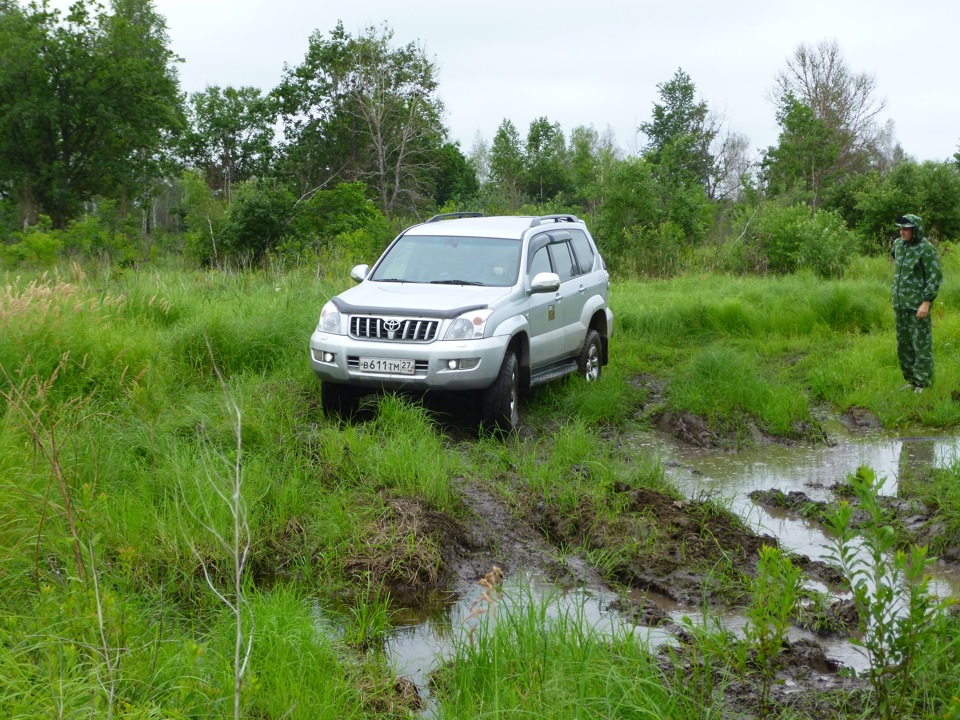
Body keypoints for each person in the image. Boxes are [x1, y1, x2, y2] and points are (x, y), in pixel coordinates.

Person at [891, 213, 942, 392]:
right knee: (904, 346)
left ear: (916, 230)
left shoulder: (925, 248)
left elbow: (934, 277)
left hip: (917, 306)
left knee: (921, 345)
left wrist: (926, 302)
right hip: (900, 305)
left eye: (906, 229)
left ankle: (922, 383)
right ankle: (911, 380)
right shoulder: (898, 245)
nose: (901, 231)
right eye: (900, 228)